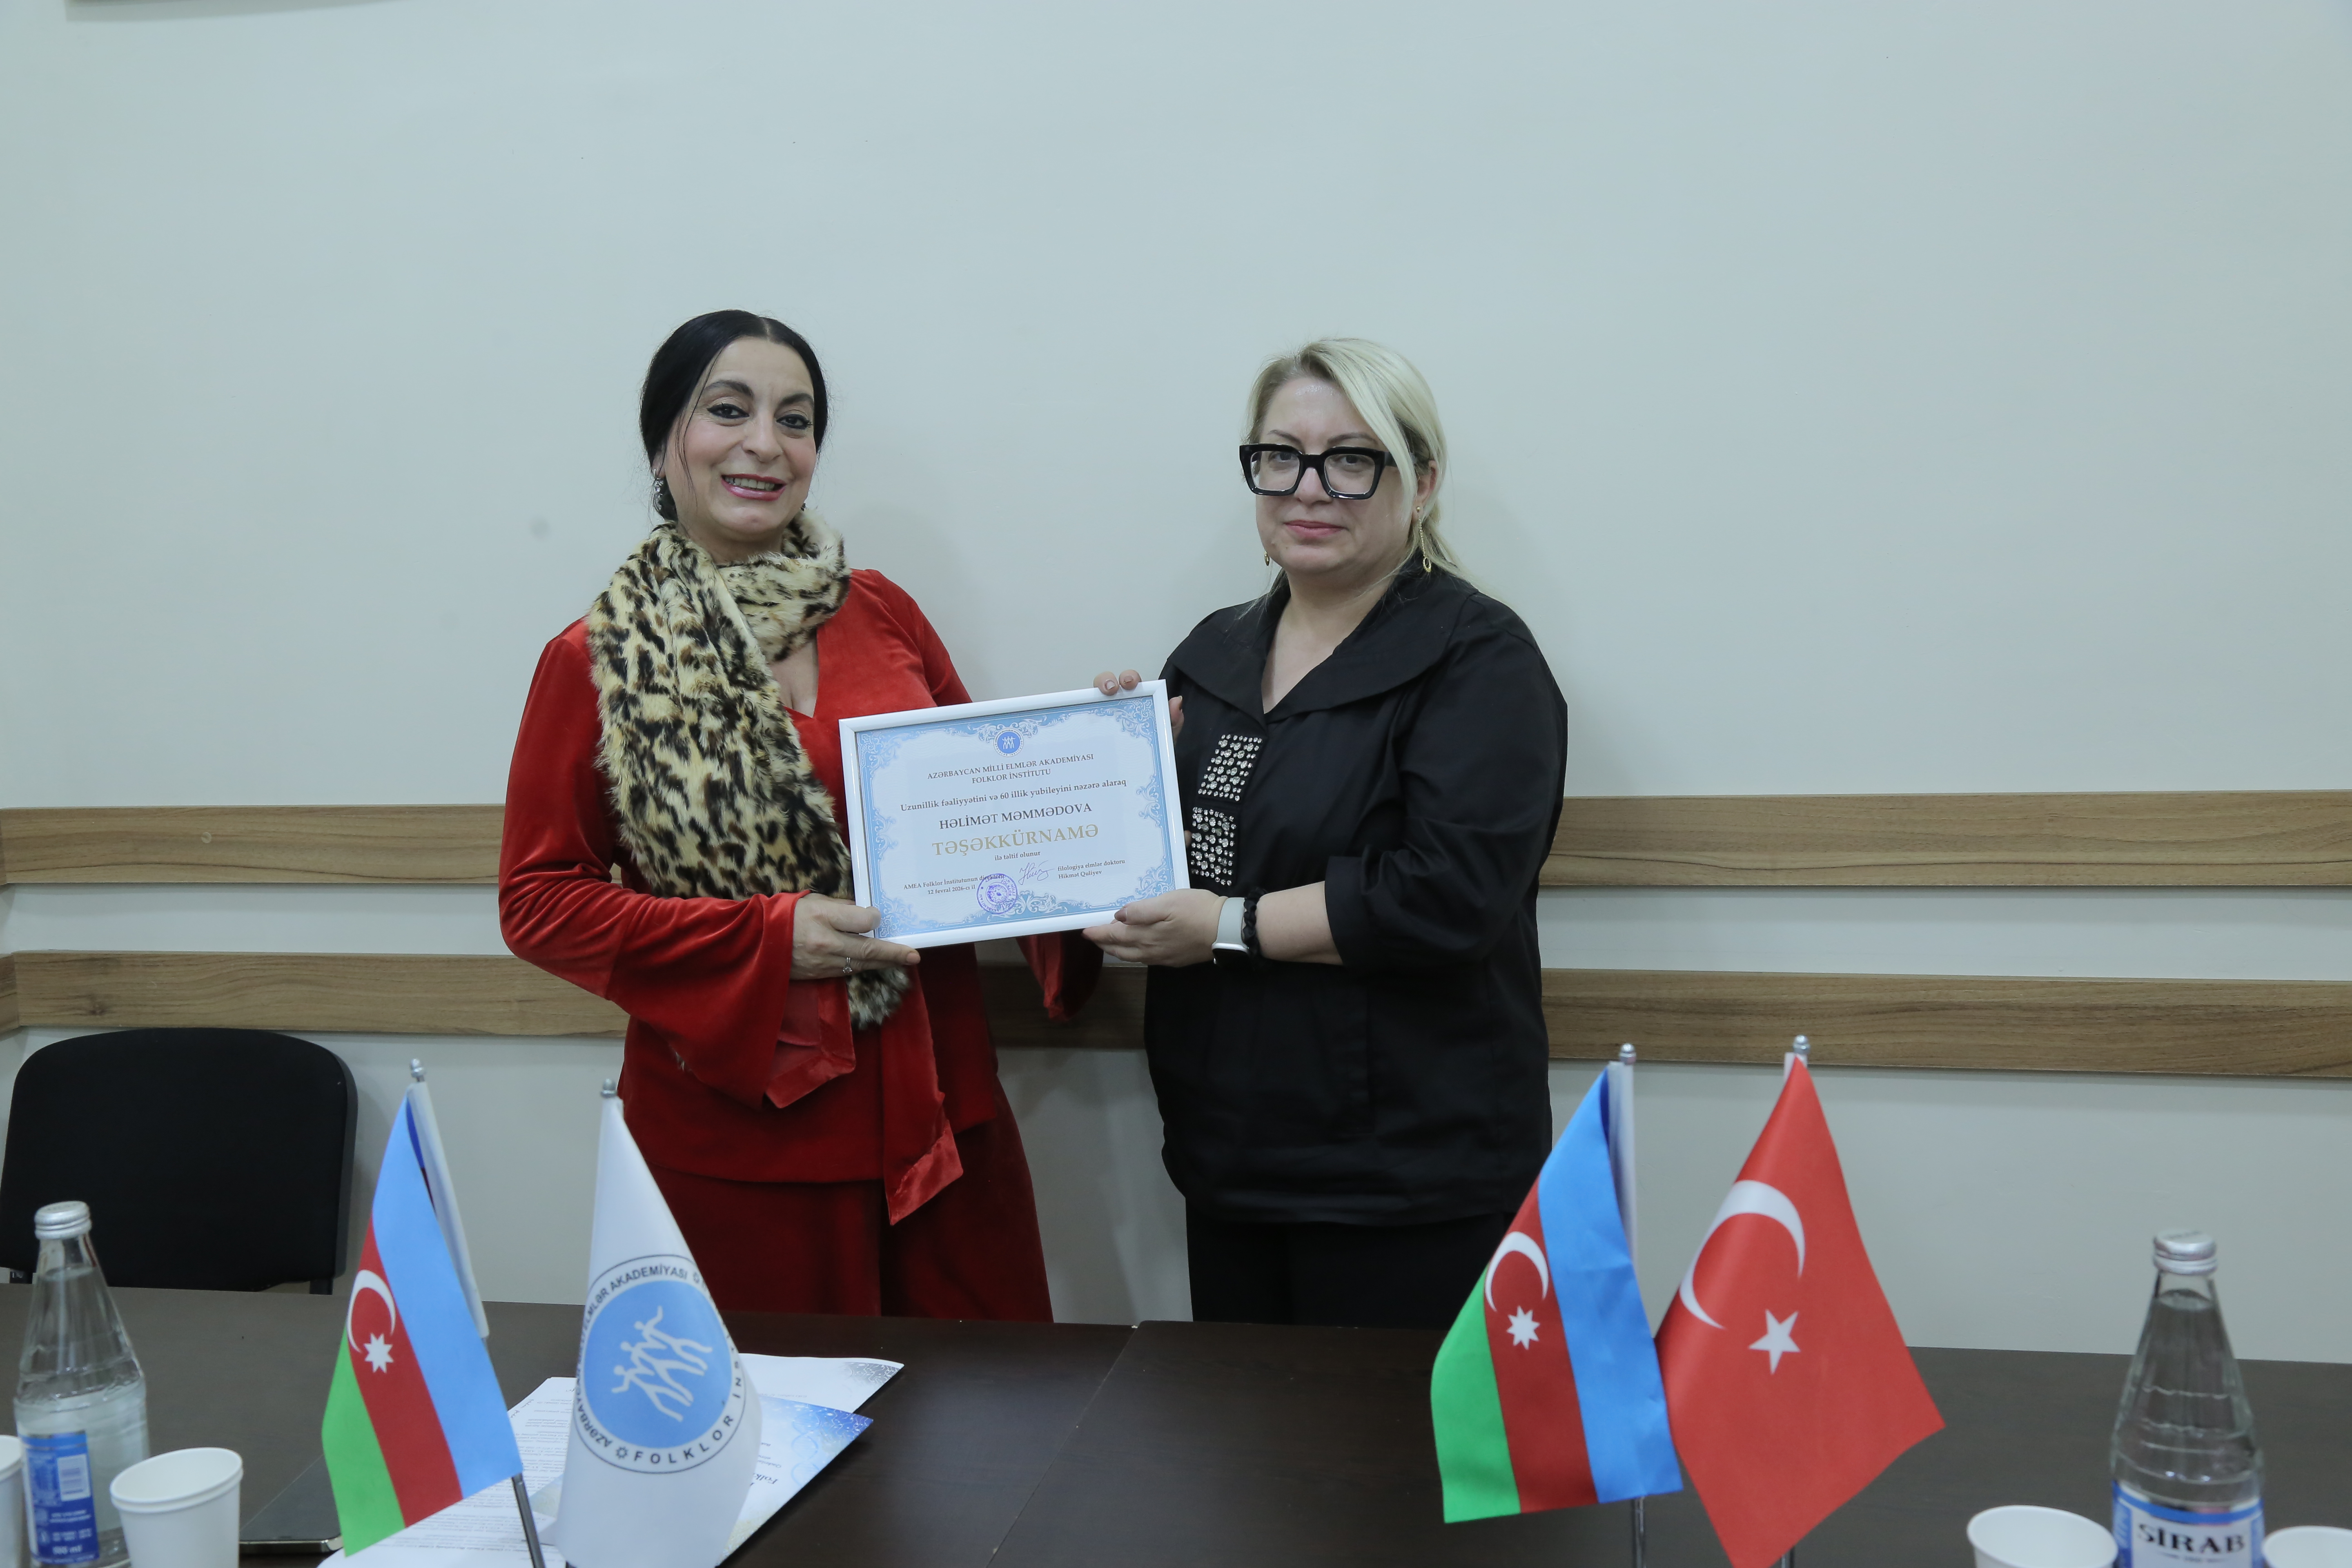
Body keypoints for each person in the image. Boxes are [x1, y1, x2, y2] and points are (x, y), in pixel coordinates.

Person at [500, 310, 1097, 1318]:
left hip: (943, 1110)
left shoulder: (885, 611)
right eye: (728, 411)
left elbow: (988, 810)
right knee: (779, 1417)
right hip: (742, 1144)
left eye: (796, 419)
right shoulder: (595, 657)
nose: (766, 445)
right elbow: (540, 903)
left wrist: (1108, 778)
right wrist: (770, 940)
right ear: (663, 441)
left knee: (993, 1410)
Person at [1087, 338, 1566, 1330]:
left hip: (1410, 1174)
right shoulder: (1212, 654)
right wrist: (1099, 770)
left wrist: (1227, 927)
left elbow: (1447, 894)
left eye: (1351, 459)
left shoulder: (1479, 659)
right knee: (1247, 1431)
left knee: (1386, 1437)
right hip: (1229, 1151)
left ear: (1421, 481)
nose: (1309, 489)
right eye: (1281, 457)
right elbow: (1171, 864)